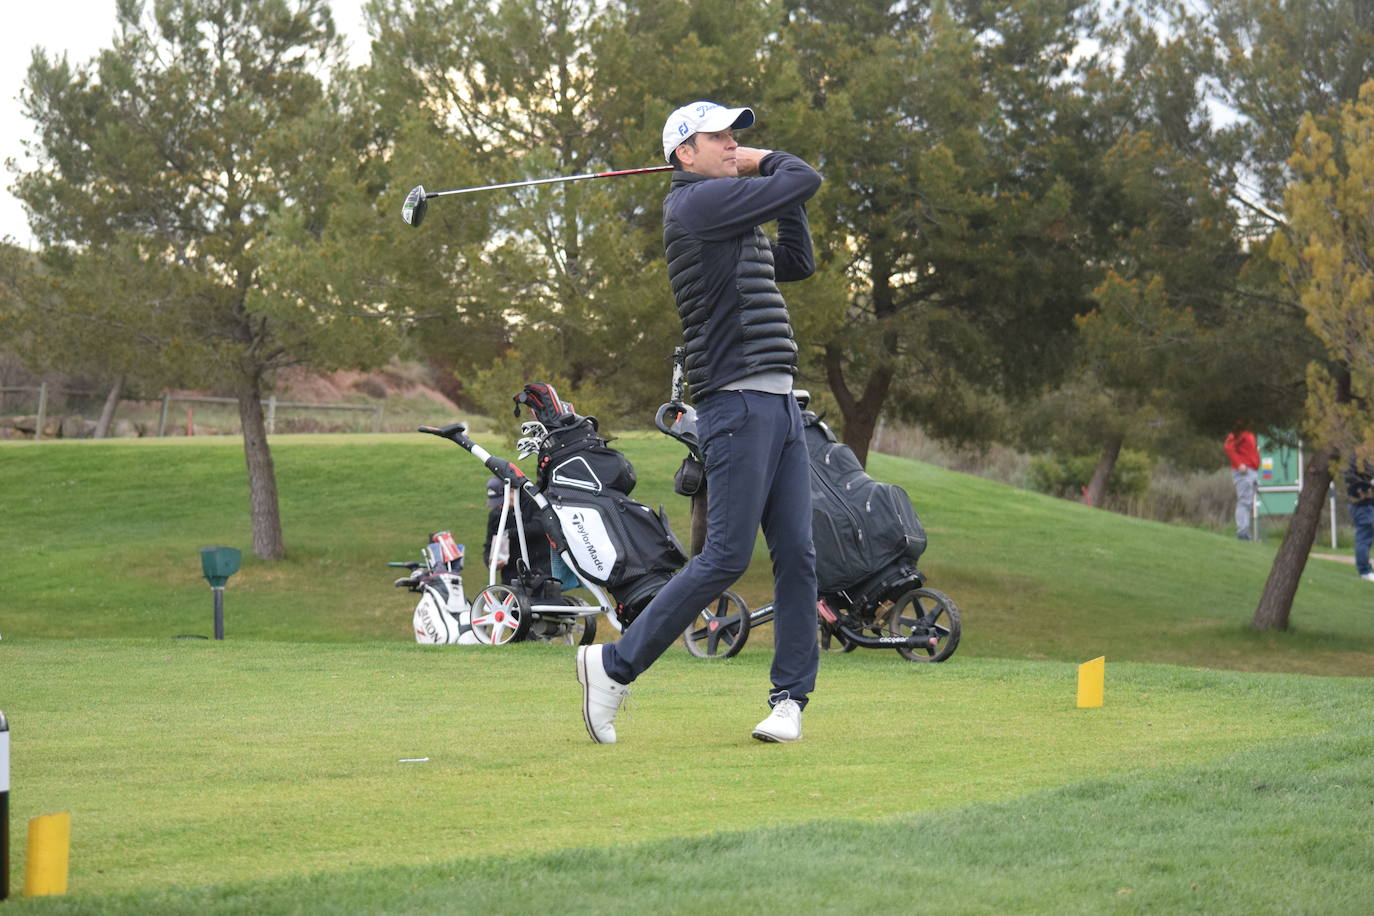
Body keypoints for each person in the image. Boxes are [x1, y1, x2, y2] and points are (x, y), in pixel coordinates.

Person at [576, 100, 823, 745]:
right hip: (736, 404)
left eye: (735, 137)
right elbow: (803, 176)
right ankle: (614, 665)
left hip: (780, 402)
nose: (731, 145)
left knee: (798, 554)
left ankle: (789, 699)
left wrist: (778, 197)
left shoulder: (730, 219)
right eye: (719, 138)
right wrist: (768, 166)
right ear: (685, 153)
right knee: (726, 557)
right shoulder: (691, 207)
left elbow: (796, 263)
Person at [483, 478, 549, 586]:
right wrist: (490, 562)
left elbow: (539, 527)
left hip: (540, 569)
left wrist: (508, 533)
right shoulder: (496, 515)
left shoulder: (534, 501)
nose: (499, 506)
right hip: (510, 577)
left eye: (502, 501)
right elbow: (489, 545)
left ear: (512, 491)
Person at [1224, 423, 1261, 541]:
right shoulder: (1239, 432)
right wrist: (1239, 464)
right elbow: (1228, 447)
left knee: (1248, 503)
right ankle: (1242, 533)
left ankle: (1245, 532)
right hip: (1243, 472)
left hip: (1251, 471)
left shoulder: (1249, 433)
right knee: (1244, 501)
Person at [1344, 456, 1374, 583]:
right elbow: (1355, 479)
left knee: (1367, 538)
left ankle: (1366, 568)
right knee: (1364, 538)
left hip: (1366, 505)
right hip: (1362, 506)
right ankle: (1364, 571)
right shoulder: (1358, 459)